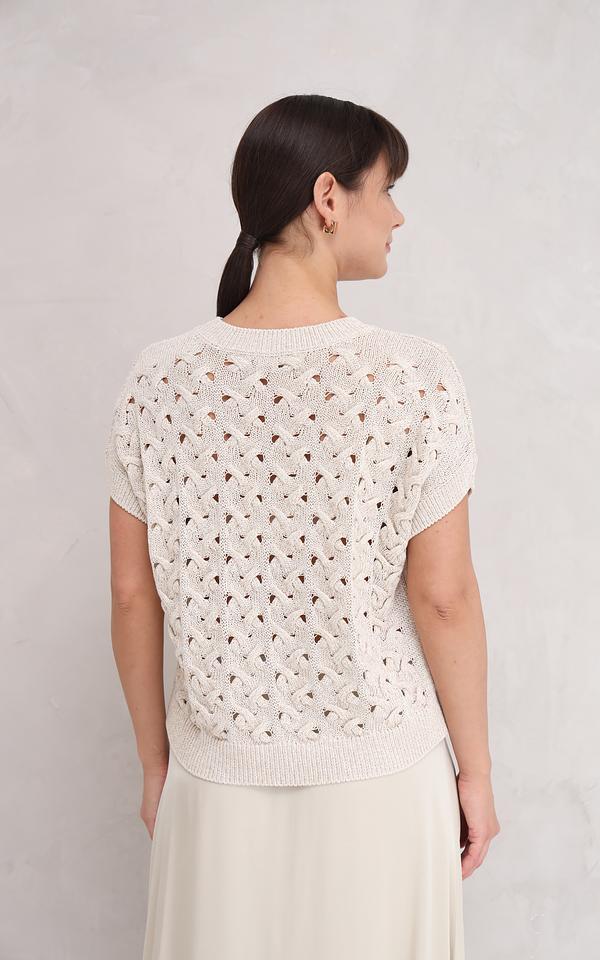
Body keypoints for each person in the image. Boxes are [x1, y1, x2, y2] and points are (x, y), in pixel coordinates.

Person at [105, 93, 500, 960]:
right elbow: (443, 597)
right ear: (328, 198)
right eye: (385, 189)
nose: (397, 215)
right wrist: (475, 772)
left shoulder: (158, 381)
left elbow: (133, 596)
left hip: (212, 788)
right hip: (382, 787)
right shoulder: (414, 376)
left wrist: (156, 766)